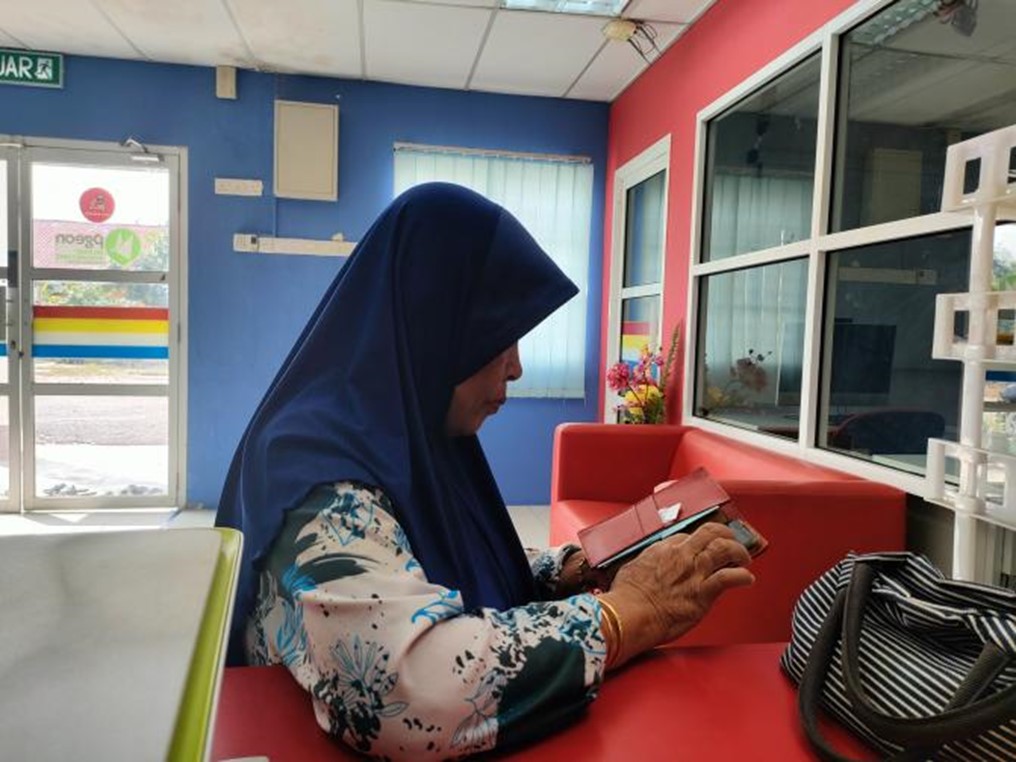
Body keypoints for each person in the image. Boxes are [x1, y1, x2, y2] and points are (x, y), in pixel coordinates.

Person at [215, 182, 755, 759]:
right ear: (434, 323)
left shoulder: (410, 434)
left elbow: (420, 561)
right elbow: (405, 689)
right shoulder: (315, 466)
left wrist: (570, 570)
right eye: (500, 338)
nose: (516, 368)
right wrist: (630, 612)